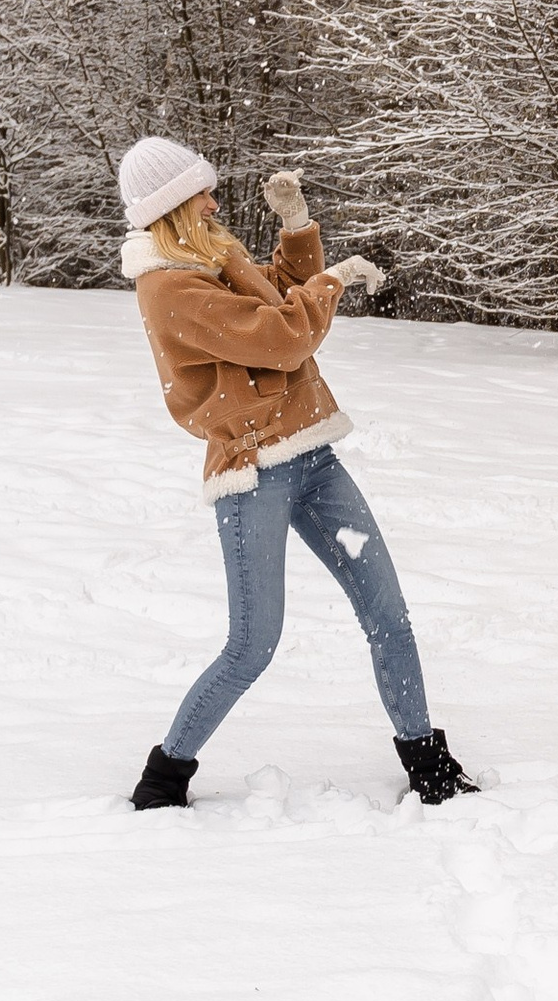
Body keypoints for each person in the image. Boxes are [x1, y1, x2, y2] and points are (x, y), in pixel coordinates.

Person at [114, 135, 475, 810]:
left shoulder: (213, 251)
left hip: (313, 456)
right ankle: (163, 779)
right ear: (172, 209)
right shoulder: (170, 286)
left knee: (388, 614)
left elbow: (276, 297)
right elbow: (281, 337)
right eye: (201, 194)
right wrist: (332, 280)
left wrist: (297, 229)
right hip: (254, 474)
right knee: (253, 645)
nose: (215, 201)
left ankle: (430, 764)